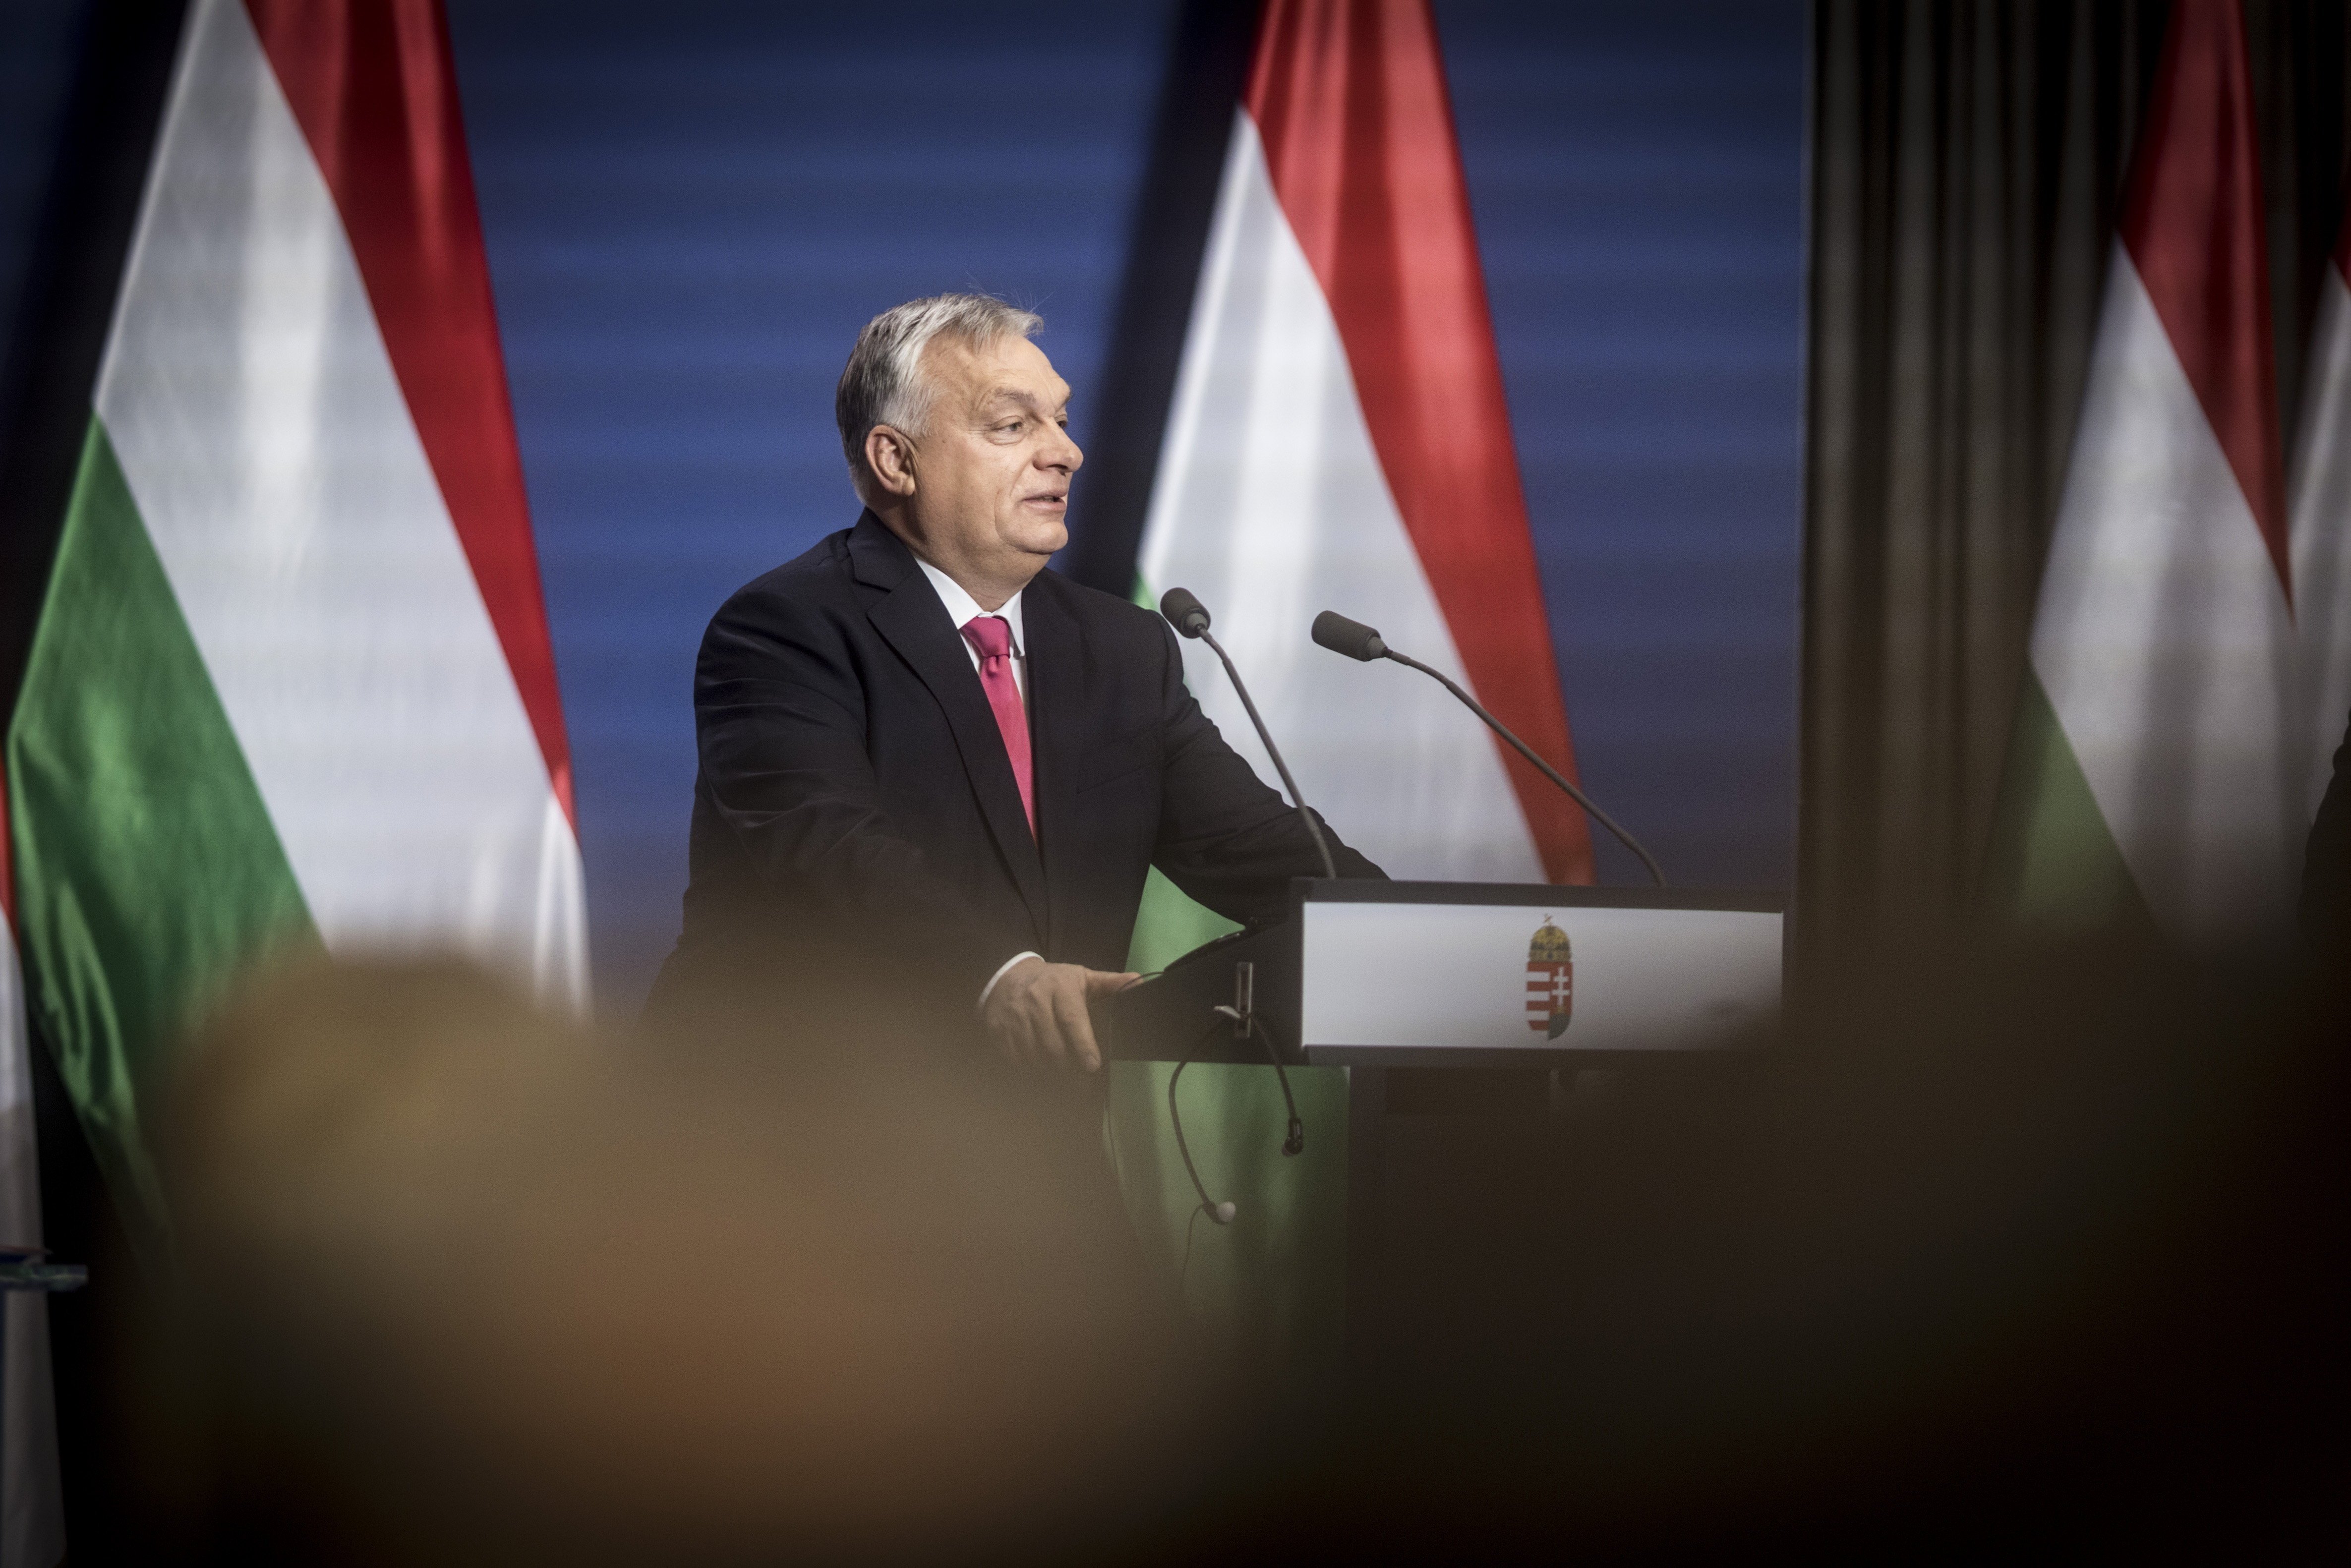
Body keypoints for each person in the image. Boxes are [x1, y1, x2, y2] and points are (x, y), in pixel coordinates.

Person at [647, 293, 1382, 1066]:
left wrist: (1428, 937)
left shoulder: (1121, 648)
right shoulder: (785, 628)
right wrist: (999, 976)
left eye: (1061, 420)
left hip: (1033, 1150)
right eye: (1012, 426)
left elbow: (1252, 847)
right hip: (785, 1137)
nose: (1066, 452)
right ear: (895, 460)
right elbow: (828, 847)